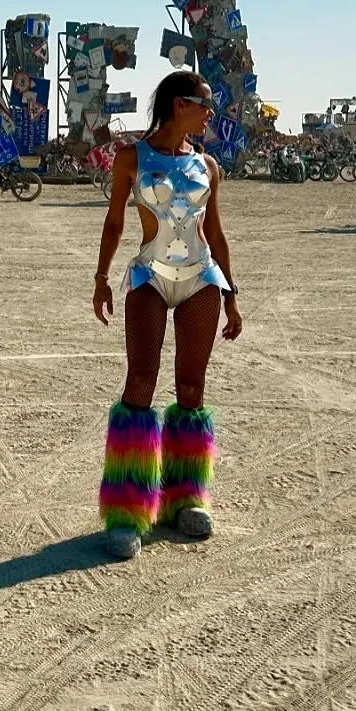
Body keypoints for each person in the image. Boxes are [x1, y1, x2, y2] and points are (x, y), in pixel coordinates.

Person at [91, 71, 243, 561]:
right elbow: (115, 221)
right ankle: (127, 508)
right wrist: (100, 277)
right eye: (205, 102)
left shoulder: (208, 165)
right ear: (180, 105)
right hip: (149, 278)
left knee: (192, 388)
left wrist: (232, 293)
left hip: (202, 279)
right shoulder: (131, 158)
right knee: (140, 383)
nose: (210, 112)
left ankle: (186, 497)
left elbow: (216, 234)